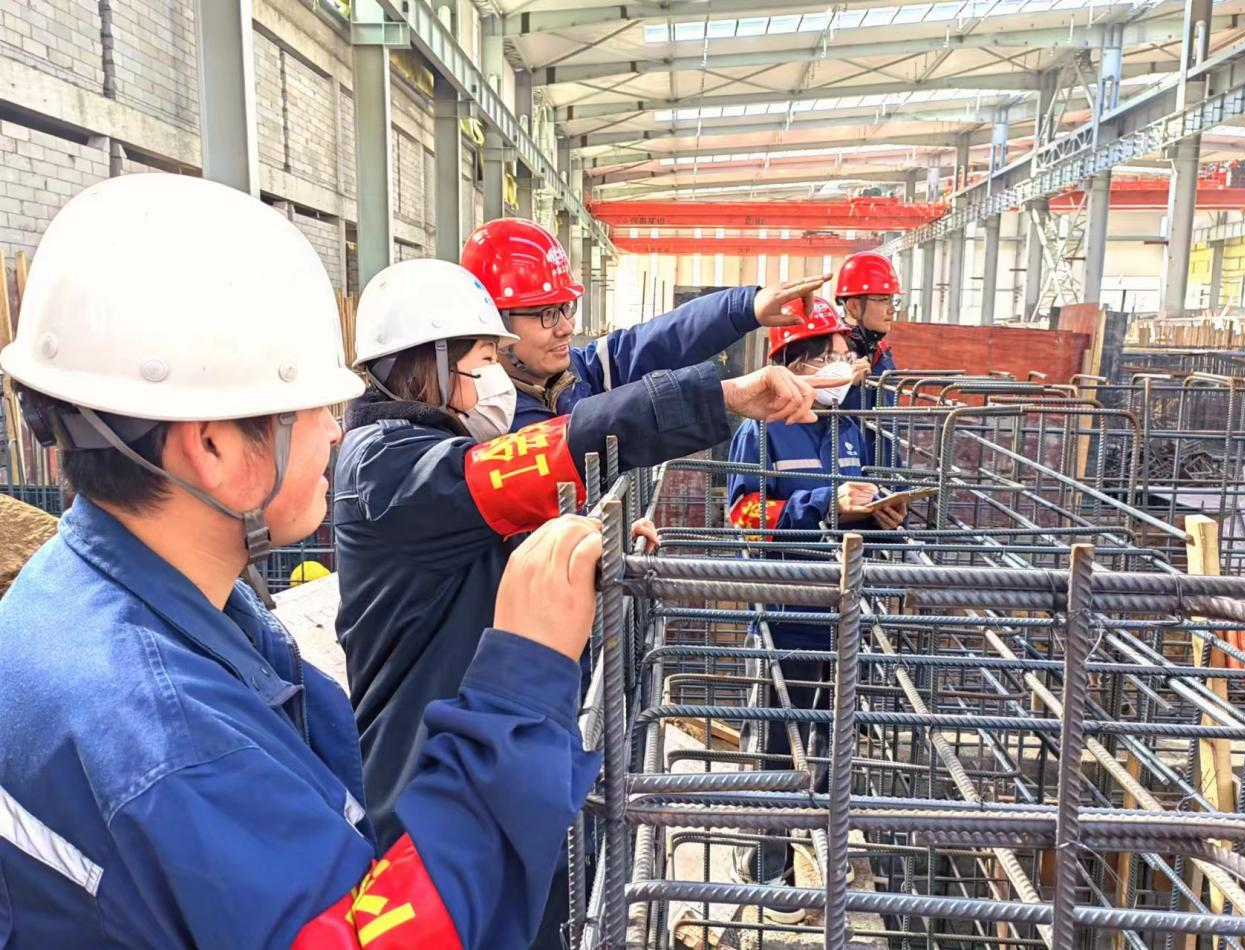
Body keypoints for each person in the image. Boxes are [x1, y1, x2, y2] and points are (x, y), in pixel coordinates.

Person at [0, 174, 609, 949]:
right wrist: (519, 688)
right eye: (312, 408)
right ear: (212, 447)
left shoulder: (90, 591)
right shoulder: (167, 734)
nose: (334, 430)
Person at [335, 258, 836, 948]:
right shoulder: (393, 467)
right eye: (484, 361)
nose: (495, 379)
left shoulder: (428, 454)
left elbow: (490, 552)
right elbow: (546, 454)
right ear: (431, 365)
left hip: (477, 750)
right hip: (428, 776)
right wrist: (722, 397)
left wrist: (582, 542)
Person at [725, 296, 906, 901]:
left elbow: (866, 504)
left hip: (843, 615)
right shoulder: (761, 431)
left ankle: (819, 852)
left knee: (833, 743)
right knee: (779, 748)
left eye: (844, 354)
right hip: (785, 618)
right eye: (827, 355)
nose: (842, 365)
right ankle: (767, 868)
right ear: (794, 364)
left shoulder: (850, 429)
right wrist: (824, 503)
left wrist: (884, 517)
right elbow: (744, 517)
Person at [461, 217, 830, 430]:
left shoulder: (575, 375)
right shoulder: (487, 420)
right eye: (546, 314)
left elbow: (651, 342)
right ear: (494, 323)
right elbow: (588, 431)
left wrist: (743, 307)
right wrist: (721, 396)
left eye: (566, 307)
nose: (566, 327)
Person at [835, 251, 903, 467]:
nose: (891, 310)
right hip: (845, 474)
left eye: (893, 300)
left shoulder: (882, 354)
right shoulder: (828, 358)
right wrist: (843, 385)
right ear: (854, 306)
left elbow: (889, 430)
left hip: (882, 471)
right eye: (883, 300)